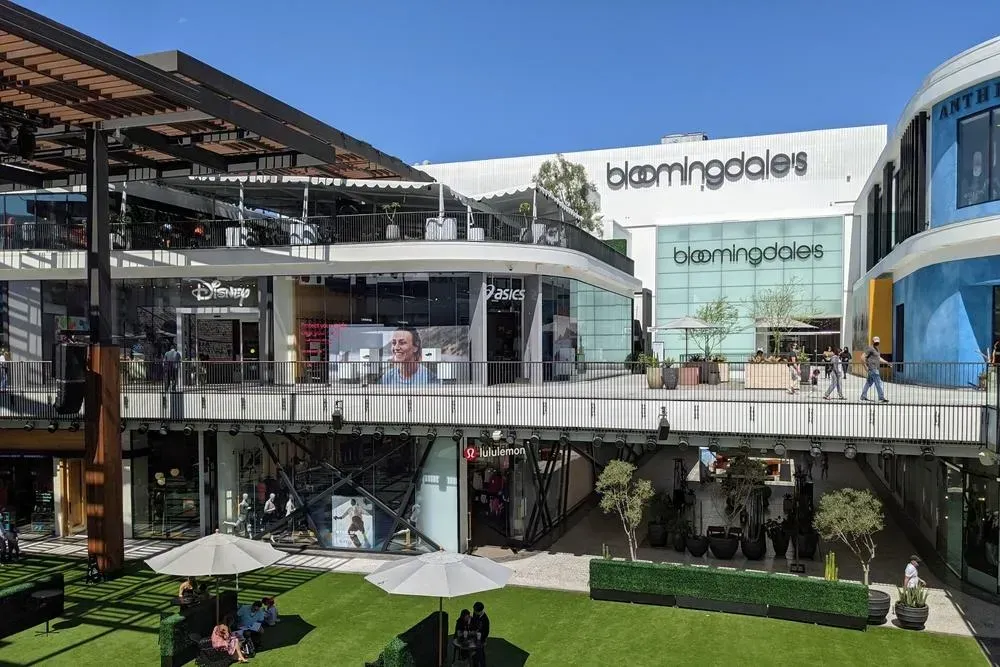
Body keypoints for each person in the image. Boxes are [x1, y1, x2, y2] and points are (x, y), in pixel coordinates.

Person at [860, 336, 889, 403]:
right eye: (875, 342)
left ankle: (863, 396)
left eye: (878, 342)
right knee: (878, 382)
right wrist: (865, 367)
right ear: (873, 341)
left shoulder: (877, 349)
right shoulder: (870, 348)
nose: (877, 343)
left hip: (874, 368)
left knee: (868, 383)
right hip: (873, 368)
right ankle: (881, 397)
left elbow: (879, 358)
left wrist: (886, 362)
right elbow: (862, 357)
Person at [470, 601, 490, 667]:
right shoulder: (475, 613)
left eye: (475, 610)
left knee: (480, 656)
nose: (474, 611)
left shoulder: (485, 620)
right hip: (474, 638)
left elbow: (486, 632)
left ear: (479, 611)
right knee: (474, 655)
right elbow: (473, 623)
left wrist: (483, 640)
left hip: (481, 640)